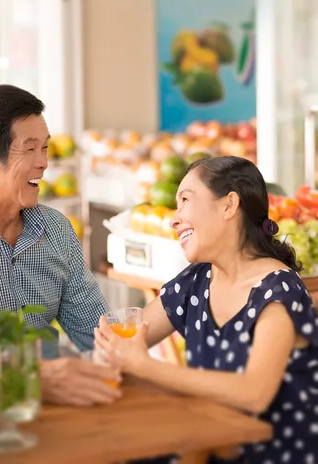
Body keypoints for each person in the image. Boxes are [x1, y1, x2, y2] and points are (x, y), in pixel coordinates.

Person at [96, 156, 318, 463]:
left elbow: (255, 392)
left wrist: (144, 367)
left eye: (185, 200)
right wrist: (110, 349)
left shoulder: (279, 289)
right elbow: (126, 339)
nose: (174, 219)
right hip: (211, 443)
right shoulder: (197, 279)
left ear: (229, 205)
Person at [0, 84, 121, 407]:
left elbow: (97, 335)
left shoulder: (56, 230)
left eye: (46, 148)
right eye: (30, 149)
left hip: (54, 409)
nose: (44, 164)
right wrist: (35, 377)